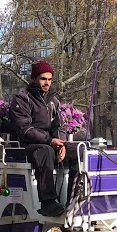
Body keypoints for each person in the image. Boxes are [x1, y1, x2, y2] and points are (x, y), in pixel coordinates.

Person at [9, 60, 79, 217]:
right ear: (34, 78)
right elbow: (24, 129)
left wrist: (62, 144)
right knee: (46, 151)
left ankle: (74, 199)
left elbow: (59, 126)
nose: (47, 83)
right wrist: (50, 141)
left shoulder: (53, 101)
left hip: (50, 143)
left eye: (49, 79)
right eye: (43, 79)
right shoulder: (22, 99)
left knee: (80, 151)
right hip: (28, 146)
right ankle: (48, 202)